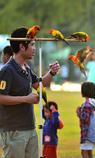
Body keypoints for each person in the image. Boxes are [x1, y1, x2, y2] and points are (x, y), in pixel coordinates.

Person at [0, 27, 60, 158]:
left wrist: (52, 73)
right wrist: (26, 99)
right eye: (32, 44)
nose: (34, 48)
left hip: (30, 128)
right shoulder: (7, 70)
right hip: (13, 131)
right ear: (22, 46)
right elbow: (1, 98)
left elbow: (40, 84)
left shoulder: (26, 68)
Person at [76, 82, 95, 158]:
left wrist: (78, 112)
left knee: (84, 151)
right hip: (92, 131)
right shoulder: (93, 102)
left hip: (87, 133)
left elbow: (85, 119)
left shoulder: (87, 105)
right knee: (89, 150)